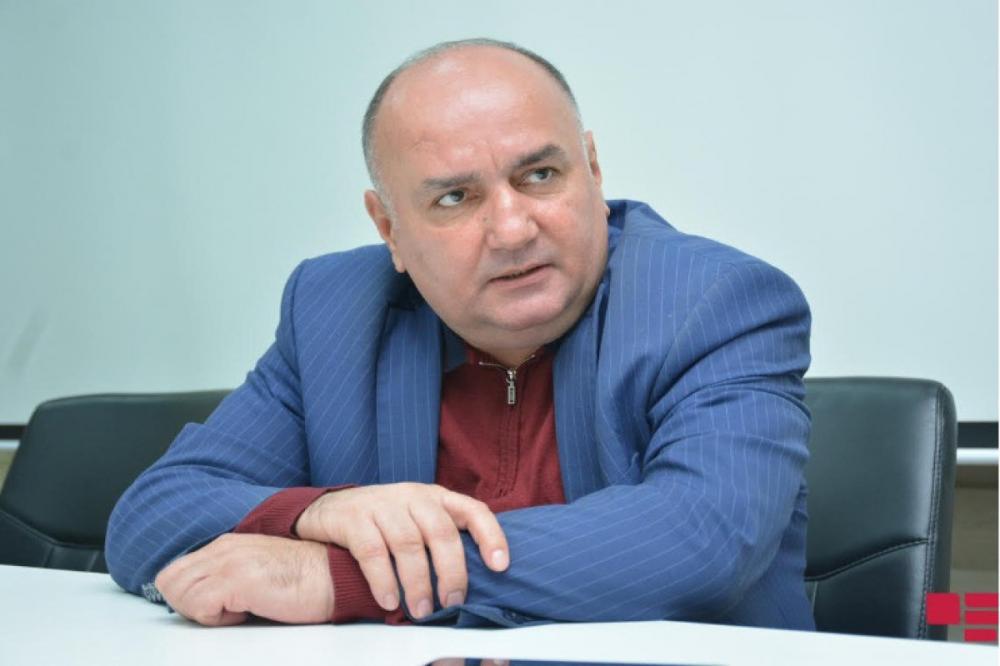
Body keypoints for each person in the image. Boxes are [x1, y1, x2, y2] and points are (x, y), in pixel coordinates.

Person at [106, 38, 815, 630]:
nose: (512, 229)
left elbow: (698, 539)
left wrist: (339, 576)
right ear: (389, 228)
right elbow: (153, 514)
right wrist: (320, 514)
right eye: (455, 197)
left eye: (540, 175)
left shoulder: (715, 303)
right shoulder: (335, 312)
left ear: (593, 172)